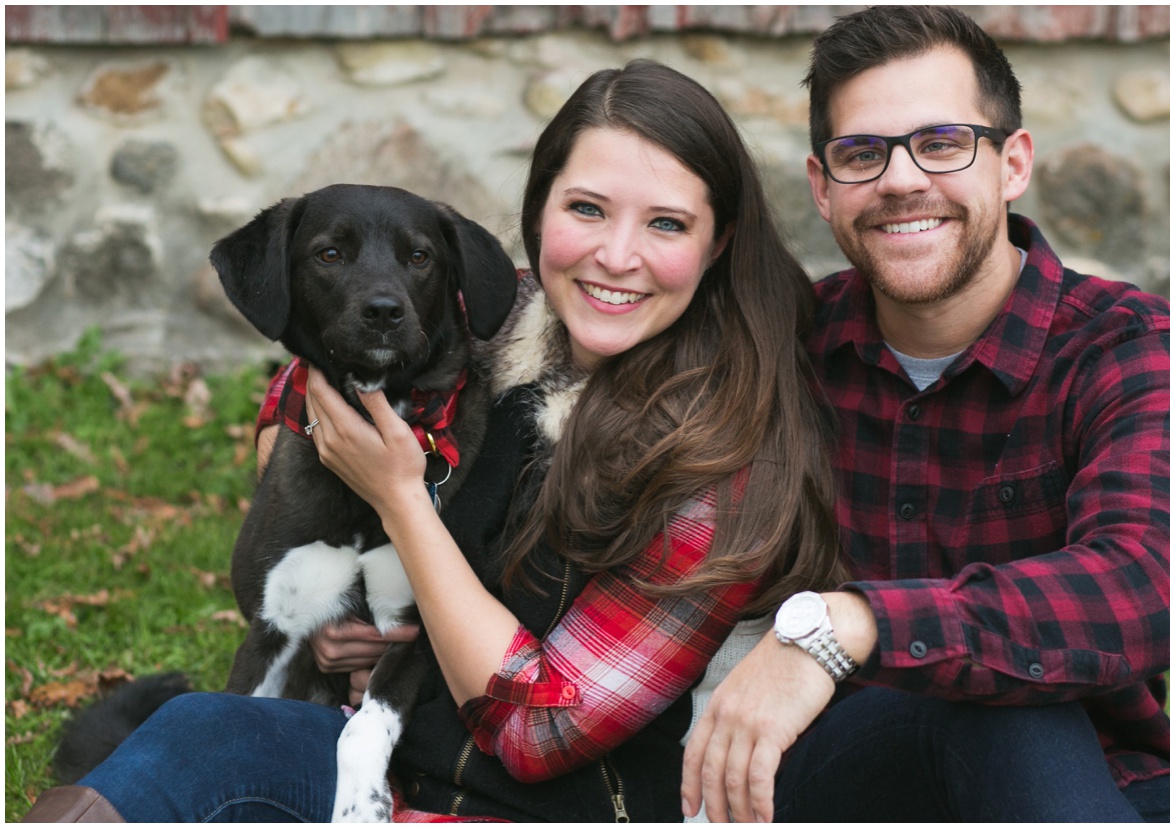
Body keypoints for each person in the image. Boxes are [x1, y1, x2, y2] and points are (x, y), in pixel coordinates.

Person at [28, 60, 837, 822]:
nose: (615, 257)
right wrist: (332, 584)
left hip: (514, 802)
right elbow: (323, 366)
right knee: (198, 728)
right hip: (391, 751)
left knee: (202, 744)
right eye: (586, 208)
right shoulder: (508, 323)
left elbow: (539, 733)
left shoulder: (722, 465)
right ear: (538, 211)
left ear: (717, 241)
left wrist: (399, 501)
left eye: (666, 222)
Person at [679, 5, 1170, 823]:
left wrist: (846, 625)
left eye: (941, 144)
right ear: (821, 188)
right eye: (862, 154)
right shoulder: (779, 350)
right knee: (1002, 712)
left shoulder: (1131, 351)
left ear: (1012, 164)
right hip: (842, 777)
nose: (901, 181)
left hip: (1106, 779)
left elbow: (1142, 591)